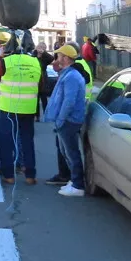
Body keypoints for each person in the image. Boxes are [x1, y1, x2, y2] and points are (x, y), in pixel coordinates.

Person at [0, 34, 41, 184]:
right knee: (27, 141)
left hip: (8, 108)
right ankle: (30, 175)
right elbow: (41, 83)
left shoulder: (6, 61)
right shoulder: (35, 61)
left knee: (7, 141)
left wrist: (0, 57)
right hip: (28, 109)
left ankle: (9, 176)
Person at [44, 44, 87, 196]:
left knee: (71, 152)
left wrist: (61, 120)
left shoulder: (71, 77)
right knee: (66, 151)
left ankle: (77, 185)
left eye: (60, 56)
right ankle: (74, 182)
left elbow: (69, 101)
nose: (57, 58)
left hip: (69, 120)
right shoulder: (69, 74)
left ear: (66, 58)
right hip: (68, 120)